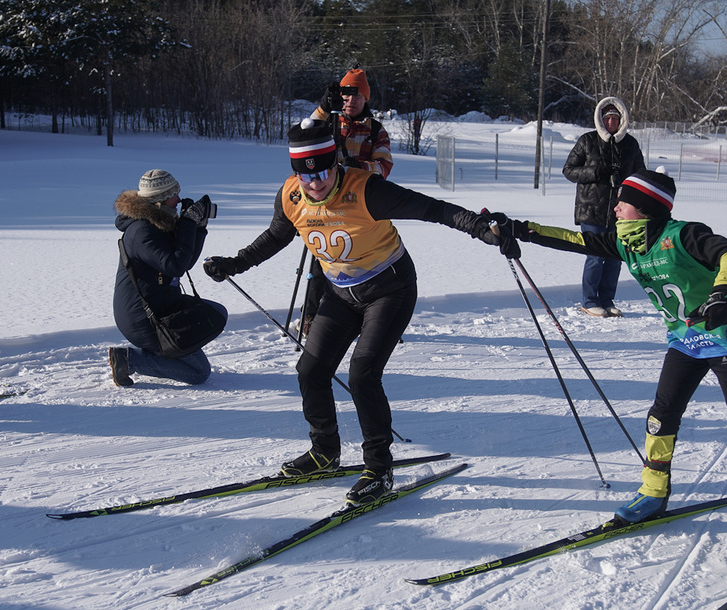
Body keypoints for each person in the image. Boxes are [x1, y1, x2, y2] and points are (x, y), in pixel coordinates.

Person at [488, 170, 727, 560]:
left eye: (622, 201)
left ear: (644, 209)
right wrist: (520, 229)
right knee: (661, 417)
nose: (615, 207)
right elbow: (576, 239)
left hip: (724, 338)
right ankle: (654, 492)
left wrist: (724, 293)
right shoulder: (627, 244)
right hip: (686, 341)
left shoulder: (683, 234)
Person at [203, 119, 513, 506]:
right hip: (342, 292)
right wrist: (234, 264)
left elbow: (431, 209)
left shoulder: (365, 190)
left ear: (335, 163)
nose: (315, 183)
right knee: (310, 371)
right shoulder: (291, 196)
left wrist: (480, 226)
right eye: (306, 175)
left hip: (391, 288)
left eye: (324, 171)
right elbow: (276, 237)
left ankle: (379, 470)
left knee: (362, 375)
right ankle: (325, 452)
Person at [299, 69, 396, 337]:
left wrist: (355, 167)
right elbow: (304, 135)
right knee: (322, 260)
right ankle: (310, 318)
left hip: (362, 203)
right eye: (345, 94)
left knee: (369, 259)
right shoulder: (330, 123)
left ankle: (376, 314)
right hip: (326, 201)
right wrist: (322, 108)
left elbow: (384, 167)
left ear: (366, 98)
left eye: (356, 95)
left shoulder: (376, 130)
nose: (350, 100)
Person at [109, 169, 226, 387]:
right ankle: (129, 360)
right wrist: (188, 224)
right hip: (142, 318)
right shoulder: (142, 231)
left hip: (161, 305)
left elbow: (186, 261)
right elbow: (175, 265)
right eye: (174, 194)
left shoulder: (157, 222)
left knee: (215, 314)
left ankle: (164, 349)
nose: (179, 199)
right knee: (199, 372)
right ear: (159, 200)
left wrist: (197, 228)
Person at [562, 97, 645, 317]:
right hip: (591, 210)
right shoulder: (587, 141)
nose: (611, 123)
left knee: (615, 258)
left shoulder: (630, 145)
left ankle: (607, 300)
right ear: (600, 120)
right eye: (607, 118)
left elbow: (640, 175)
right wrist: (596, 172)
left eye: (615, 119)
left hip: (620, 212)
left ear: (622, 121)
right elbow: (569, 170)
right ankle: (589, 301)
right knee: (596, 257)